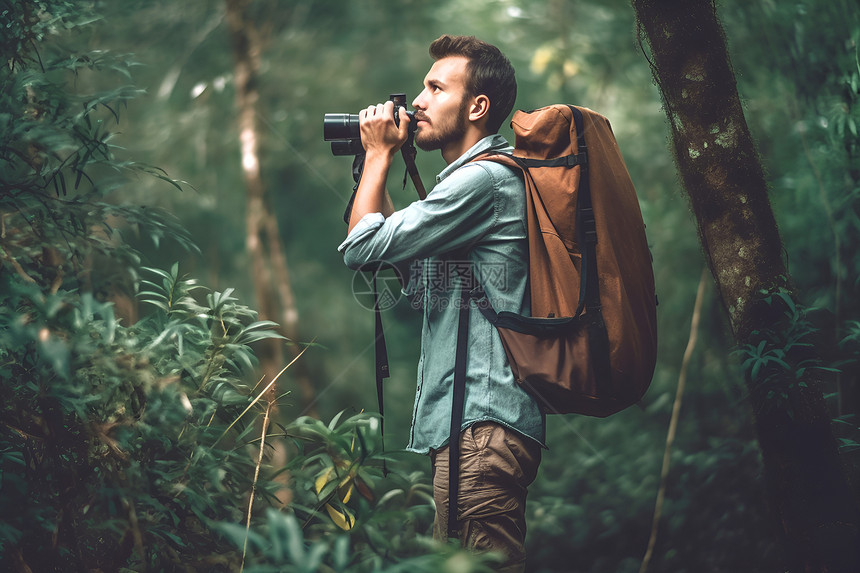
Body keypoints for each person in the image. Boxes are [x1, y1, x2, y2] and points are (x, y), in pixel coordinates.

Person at [338, 35, 544, 572]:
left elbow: (362, 248)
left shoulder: (483, 180)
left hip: (481, 426)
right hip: (473, 430)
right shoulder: (469, 186)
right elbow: (418, 279)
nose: (418, 103)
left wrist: (380, 152)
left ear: (477, 107)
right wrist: (381, 163)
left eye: (434, 88)